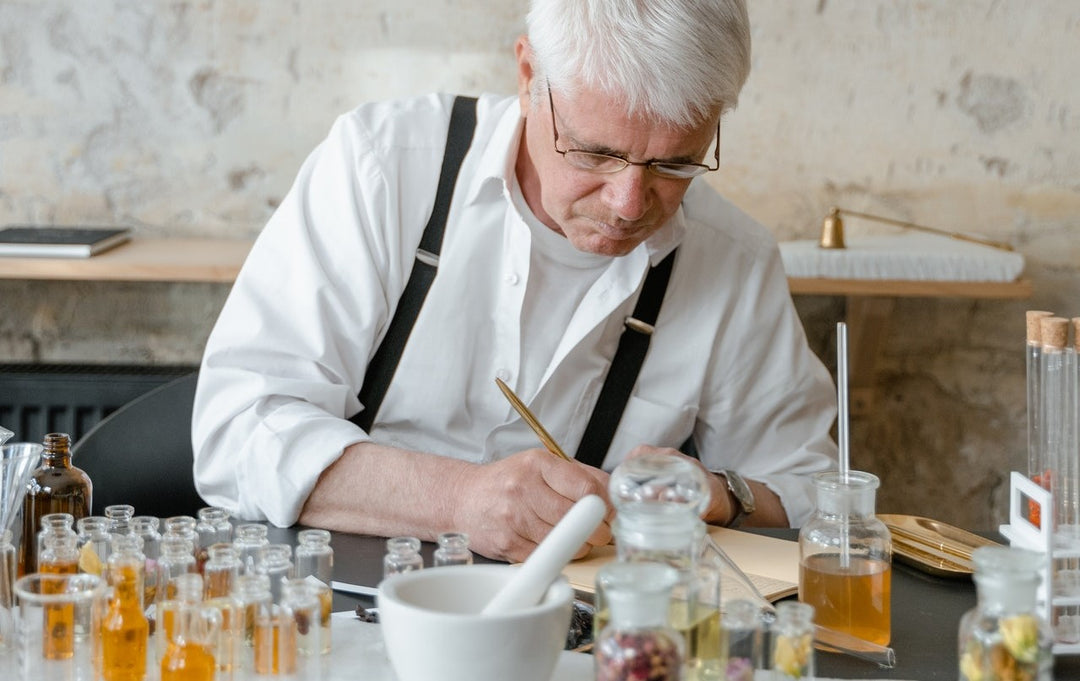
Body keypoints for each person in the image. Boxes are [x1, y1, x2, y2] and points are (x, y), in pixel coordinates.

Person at [192, 0, 838, 563]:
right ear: (529, 75)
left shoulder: (732, 256)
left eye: (674, 162)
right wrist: (459, 499)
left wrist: (722, 495)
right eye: (596, 153)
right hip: (338, 599)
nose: (627, 201)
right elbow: (237, 430)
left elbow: (814, 486)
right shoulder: (383, 164)